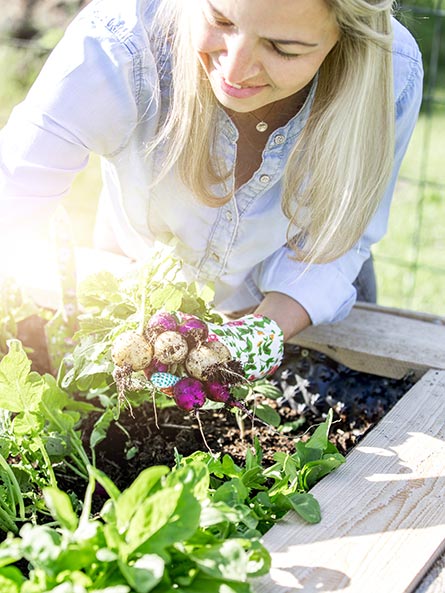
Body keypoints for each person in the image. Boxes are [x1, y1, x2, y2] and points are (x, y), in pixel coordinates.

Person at [0, 0, 423, 379]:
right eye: (220, 19)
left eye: (283, 48)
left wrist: (258, 334)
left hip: (308, 311)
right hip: (144, 301)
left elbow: (342, 241)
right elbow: (13, 191)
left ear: (342, 36)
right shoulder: (119, 41)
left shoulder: (391, 69)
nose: (235, 71)